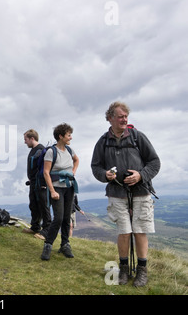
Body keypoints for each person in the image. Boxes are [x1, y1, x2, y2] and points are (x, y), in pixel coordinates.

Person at [91, 102, 160, 287]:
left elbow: (154, 162)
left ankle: (141, 271)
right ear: (110, 118)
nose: (124, 119)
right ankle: (123, 269)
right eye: (120, 116)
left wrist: (141, 175)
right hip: (116, 192)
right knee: (124, 232)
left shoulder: (138, 137)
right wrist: (104, 175)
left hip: (141, 192)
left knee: (140, 231)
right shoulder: (103, 141)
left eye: (126, 116)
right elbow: (95, 167)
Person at [41, 123, 79, 261]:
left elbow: (77, 160)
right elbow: (46, 172)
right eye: (68, 135)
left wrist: (73, 173)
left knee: (66, 217)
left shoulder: (70, 150)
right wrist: (52, 191)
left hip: (69, 187)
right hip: (56, 188)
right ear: (60, 136)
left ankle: (65, 244)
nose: (71, 137)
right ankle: (48, 245)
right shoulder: (52, 152)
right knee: (58, 218)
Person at [23, 129, 51, 240]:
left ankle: (47, 230)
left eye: (26, 139)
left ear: (32, 138)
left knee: (43, 206)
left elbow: (45, 168)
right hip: (33, 183)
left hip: (41, 183)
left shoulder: (41, 150)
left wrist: (44, 183)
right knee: (33, 205)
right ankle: (35, 227)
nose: (25, 142)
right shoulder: (33, 150)